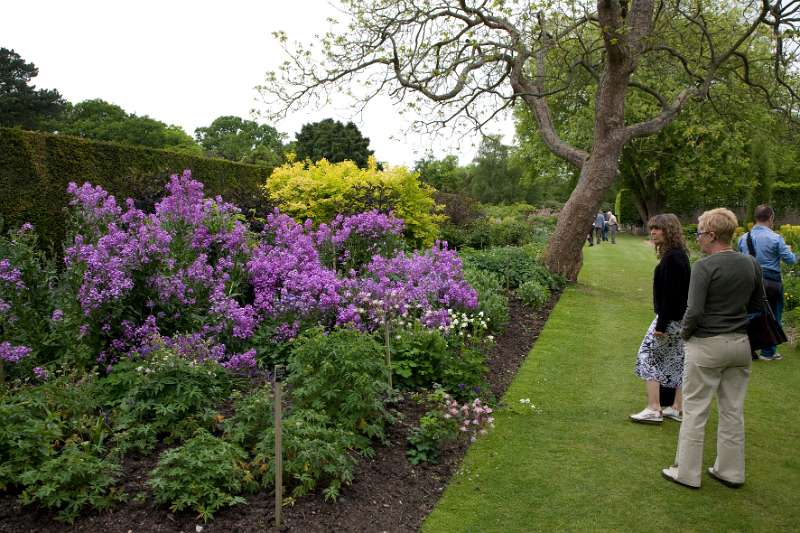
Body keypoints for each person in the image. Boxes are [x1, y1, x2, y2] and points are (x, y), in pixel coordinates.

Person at [662, 208, 765, 489]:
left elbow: (693, 311)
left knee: (695, 410)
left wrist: (684, 335)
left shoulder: (704, 267)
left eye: (699, 233)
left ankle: (686, 472)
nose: (697, 239)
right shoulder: (750, 264)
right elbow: (758, 305)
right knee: (733, 410)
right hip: (740, 346)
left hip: (707, 345)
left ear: (710, 234)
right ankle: (731, 472)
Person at [630, 214, 690, 425]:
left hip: (670, 319)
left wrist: (661, 325)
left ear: (669, 231)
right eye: (652, 228)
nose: (653, 232)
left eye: (658, 229)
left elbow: (671, 295)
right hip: (679, 319)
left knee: (647, 356)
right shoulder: (678, 254)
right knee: (677, 361)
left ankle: (654, 408)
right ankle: (677, 407)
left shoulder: (673, 257)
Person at [736, 204, 797, 361]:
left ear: (755, 218)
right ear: (771, 218)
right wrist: (792, 253)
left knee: (752, 313)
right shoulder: (775, 238)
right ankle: (768, 352)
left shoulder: (743, 238)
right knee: (772, 314)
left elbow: (740, 258)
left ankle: (745, 347)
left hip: (749, 279)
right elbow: (790, 260)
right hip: (771, 281)